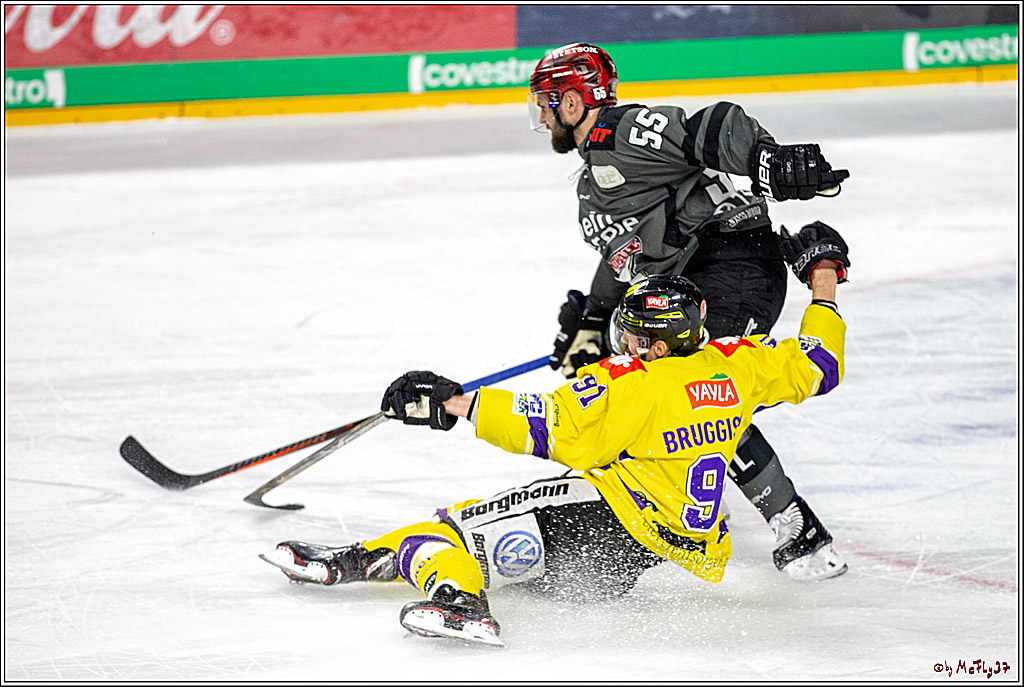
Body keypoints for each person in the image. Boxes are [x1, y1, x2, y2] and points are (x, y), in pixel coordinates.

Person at [260, 225, 851, 646]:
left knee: (449, 535)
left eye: (633, 337)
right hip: (646, 550)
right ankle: (359, 559)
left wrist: (453, 403)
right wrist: (822, 279)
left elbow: (548, 423)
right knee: (479, 538)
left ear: (658, 345)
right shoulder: (739, 365)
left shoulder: (631, 386)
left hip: (602, 522)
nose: (624, 345)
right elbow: (820, 363)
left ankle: (461, 605)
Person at [530, 43, 851, 580]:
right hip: (690, 283)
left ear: (572, 102)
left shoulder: (620, 133)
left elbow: (710, 126)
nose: (541, 117)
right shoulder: (593, 178)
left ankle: (795, 526)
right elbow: (623, 254)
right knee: (659, 385)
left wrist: (766, 158)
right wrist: (594, 320)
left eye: (545, 103)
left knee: (701, 391)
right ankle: (638, 511)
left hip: (733, 264)